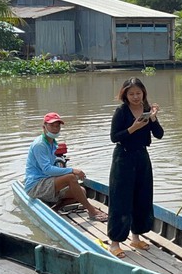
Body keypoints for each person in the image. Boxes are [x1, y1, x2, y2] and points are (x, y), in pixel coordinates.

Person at [107, 77, 164, 259]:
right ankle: (115, 243)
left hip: (142, 157)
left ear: (143, 93)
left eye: (138, 93)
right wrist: (133, 128)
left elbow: (159, 135)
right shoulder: (121, 112)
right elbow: (114, 137)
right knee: (121, 199)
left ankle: (136, 237)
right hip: (123, 158)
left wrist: (153, 119)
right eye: (131, 94)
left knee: (142, 197)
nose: (135, 97)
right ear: (125, 95)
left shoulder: (147, 110)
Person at [25, 112, 107, 221]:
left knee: (81, 191)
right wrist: (72, 171)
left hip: (47, 181)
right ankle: (92, 211)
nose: (55, 128)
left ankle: (55, 209)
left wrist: (70, 172)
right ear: (44, 126)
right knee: (71, 177)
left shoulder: (52, 142)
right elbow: (47, 169)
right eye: (52, 125)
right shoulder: (40, 144)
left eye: (57, 126)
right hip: (36, 185)